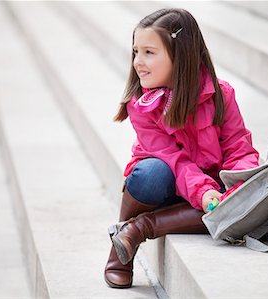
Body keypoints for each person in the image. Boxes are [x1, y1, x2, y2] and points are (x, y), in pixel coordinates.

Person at [104, 8, 259, 288]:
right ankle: (120, 252)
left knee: (239, 196)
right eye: (136, 52)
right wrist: (203, 193)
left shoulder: (221, 96)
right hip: (167, 187)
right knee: (151, 173)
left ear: (181, 56)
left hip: (208, 190)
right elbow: (174, 160)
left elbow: (239, 149)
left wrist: (237, 185)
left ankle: (137, 229)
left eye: (149, 52)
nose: (138, 62)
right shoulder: (141, 106)